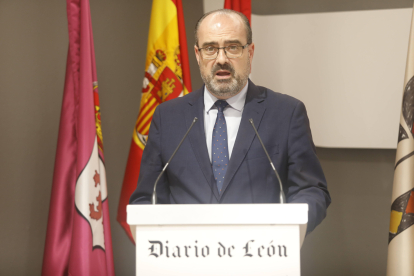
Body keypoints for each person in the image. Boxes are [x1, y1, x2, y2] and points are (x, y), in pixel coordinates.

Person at [130, 9, 331, 234]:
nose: (222, 59)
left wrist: (289, 228)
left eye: (233, 47)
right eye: (210, 48)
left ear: (250, 52)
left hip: (261, 253)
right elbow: (147, 198)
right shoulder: (167, 117)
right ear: (197, 55)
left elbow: (312, 191)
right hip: (189, 258)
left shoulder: (287, 113)